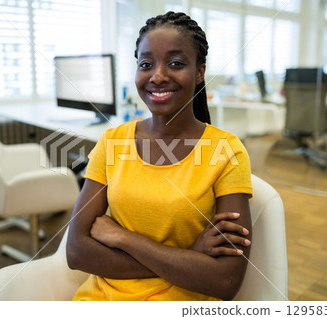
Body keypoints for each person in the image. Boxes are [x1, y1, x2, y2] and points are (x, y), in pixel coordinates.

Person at [66, 11, 253, 301]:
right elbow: (77, 252)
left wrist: (122, 238)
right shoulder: (112, 141)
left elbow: (226, 279)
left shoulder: (226, 151)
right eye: (146, 64)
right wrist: (189, 258)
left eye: (176, 63)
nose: (158, 76)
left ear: (200, 71)